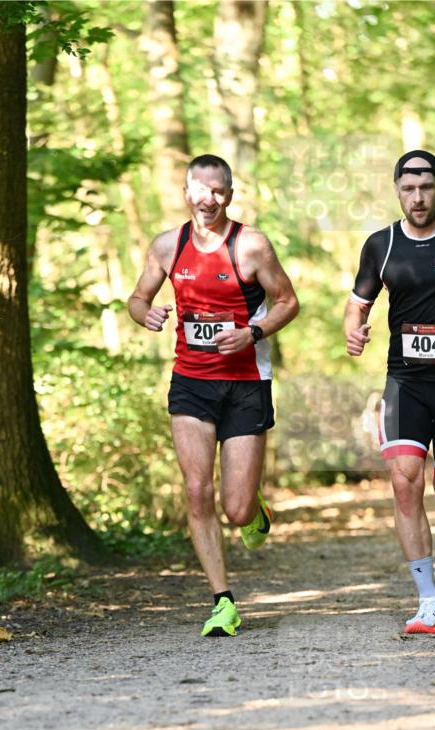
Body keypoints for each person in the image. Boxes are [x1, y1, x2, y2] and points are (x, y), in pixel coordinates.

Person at [128, 154, 299, 637]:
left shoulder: (251, 246)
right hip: (191, 381)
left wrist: (255, 332)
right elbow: (137, 298)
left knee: (237, 509)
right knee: (196, 489)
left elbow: (288, 302)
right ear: (186, 193)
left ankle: (254, 509)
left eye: (218, 191)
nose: (209, 198)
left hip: (246, 384)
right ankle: (222, 600)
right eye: (200, 190)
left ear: (229, 194)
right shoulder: (167, 246)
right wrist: (147, 315)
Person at [345, 149, 435, 635]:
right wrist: (353, 330)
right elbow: (356, 304)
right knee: (403, 481)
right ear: (397, 191)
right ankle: (428, 602)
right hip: (405, 383)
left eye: (425, 187)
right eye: (408, 188)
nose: (417, 198)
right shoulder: (381, 245)